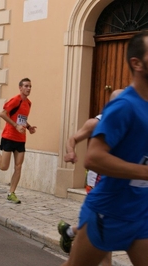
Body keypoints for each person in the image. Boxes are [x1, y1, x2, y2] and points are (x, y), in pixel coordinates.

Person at [62, 30, 148, 266]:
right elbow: (94, 158)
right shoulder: (123, 106)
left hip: (140, 212)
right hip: (109, 212)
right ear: (136, 63)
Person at [58, 89, 123, 265]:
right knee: (105, 232)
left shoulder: (128, 123)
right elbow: (73, 138)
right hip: (98, 183)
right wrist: (71, 152)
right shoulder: (97, 123)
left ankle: (70, 231)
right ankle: (71, 233)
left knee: (105, 230)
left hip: (118, 184)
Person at [0, 78, 37, 203]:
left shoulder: (28, 103)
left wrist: (28, 127)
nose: (28, 88)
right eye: (26, 86)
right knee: (3, 167)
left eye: (30, 86)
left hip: (21, 138)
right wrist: (15, 126)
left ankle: (11, 193)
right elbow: (2, 114)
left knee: (18, 166)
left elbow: (20, 119)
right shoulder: (15, 100)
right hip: (9, 136)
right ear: (20, 88)